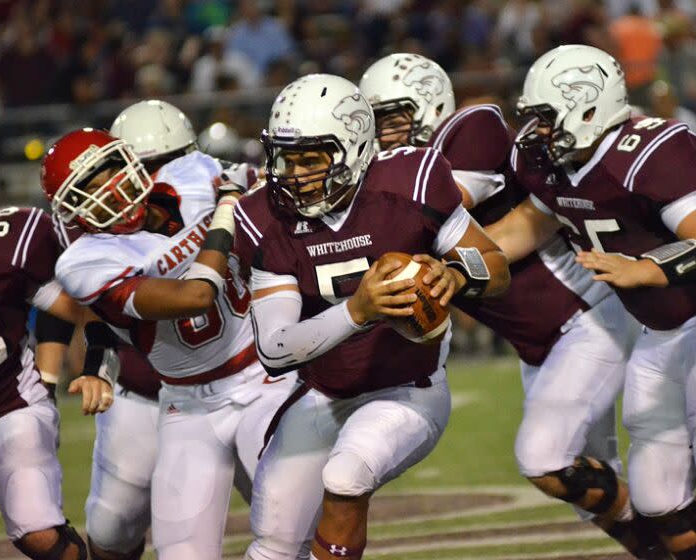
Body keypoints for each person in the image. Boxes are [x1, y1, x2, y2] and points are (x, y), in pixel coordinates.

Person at [359, 52, 663, 557]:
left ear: (428, 108)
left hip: (584, 316)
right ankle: (661, 543)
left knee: (544, 457)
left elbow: (427, 209)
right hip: (538, 344)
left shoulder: (470, 129)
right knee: (588, 490)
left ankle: (674, 533)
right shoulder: (387, 184)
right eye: (373, 125)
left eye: (392, 119)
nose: (383, 137)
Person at [234, 73, 510, 560]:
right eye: (286, 158)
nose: (293, 174)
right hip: (323, 393)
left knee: (346, 476)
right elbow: (274, 349)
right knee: (272, 541)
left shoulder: (412, 179)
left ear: (354, 149)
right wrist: (357, 310)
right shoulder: (262, 216)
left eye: (309, 158)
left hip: (409, 390)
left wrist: (458, 276)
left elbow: (496, 265)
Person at [491, 43, 696, 558]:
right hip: (662, 332)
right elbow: (528, 225)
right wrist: (447, 259)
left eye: (545, 119)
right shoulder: (558, 165)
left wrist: (648, 268)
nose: (534, 133)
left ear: (587, 108)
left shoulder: (652, 153)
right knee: (655, 495)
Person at [40, 127, 265, 560]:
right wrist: (227, 208)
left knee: (291, 528)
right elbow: (195, 296)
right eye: (88, 188)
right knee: (175, 549)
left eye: (108, 172)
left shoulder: (195, 173)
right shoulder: (87, 259)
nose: (108, 189)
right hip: (187, 399)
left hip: (262, 376)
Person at [0, 205, 114, 560]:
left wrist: (93, 365)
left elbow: (82, 309)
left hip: (8, 405)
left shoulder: (8, 244)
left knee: (39, 535)